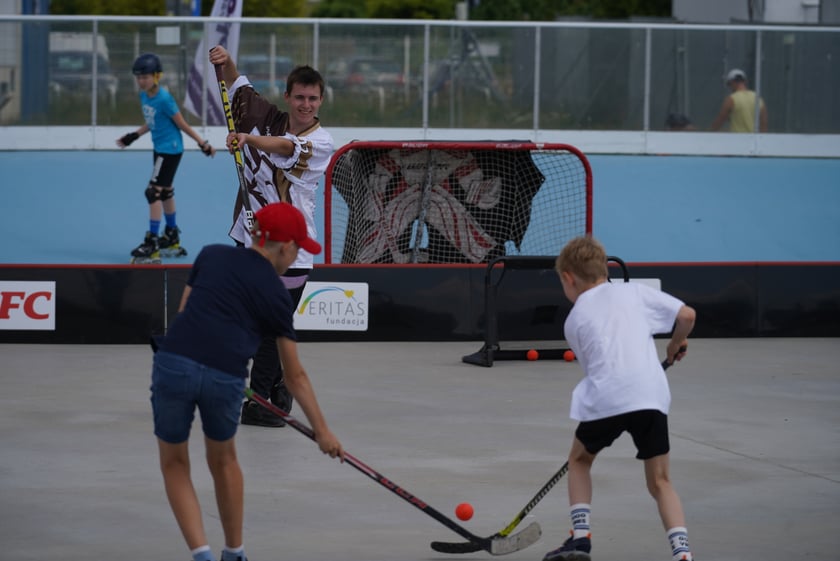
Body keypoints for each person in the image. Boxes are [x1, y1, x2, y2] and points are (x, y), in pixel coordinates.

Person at [150, 201, 344, 561]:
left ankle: (202, 554)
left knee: (175, 463)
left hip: (173, 362)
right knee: (224, 461)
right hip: (225, 374)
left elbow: (184, 315)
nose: (298, 255)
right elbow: (294, 375)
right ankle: (234, 552)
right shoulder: (276, 295)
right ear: (285, 247)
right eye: (299, 248)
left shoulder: (210, 255)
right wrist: (323, 431)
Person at [544, 236, 697, 561]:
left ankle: (580, 539)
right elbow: (687, 315)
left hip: (608, 397)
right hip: (651, 396)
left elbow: (598, 368)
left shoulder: (573, 321)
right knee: (661, 481)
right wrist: (674, 344)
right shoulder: (635, 292)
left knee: (580, 460)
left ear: (569, 279)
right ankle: (682, 554)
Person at [208, 45, 335, 427]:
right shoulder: (265, 114)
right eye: (300, 97)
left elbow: (285, 147)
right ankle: (270, 391)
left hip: (290, 253)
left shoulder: (322, 142)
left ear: (321, 100)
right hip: (249, 239)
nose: (306, 105)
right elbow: (234, 80)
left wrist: (247, 140)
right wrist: (224, 59)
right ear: (288, 95)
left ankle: (263, 404)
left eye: (313, 98)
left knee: (267, 330)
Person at [117, 52, 216, 264]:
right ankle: (171, 236)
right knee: (166, 191)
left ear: (157, 76)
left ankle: (152, 242)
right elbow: (153, 123)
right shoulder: (144, 96)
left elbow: (182, 124)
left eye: (145, 76)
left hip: (169, 150)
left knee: (153, 192)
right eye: (138, 77)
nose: (141, 81)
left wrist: (202, 143)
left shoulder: (164, 99)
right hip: (160, 148)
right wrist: (133, 136)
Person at [710, 68, 768, 133]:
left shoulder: (731, 99)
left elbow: (720, 121)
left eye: (729, 85)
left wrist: (709, 134)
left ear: (732, 82)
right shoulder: (758, 98)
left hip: (737, 140)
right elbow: (764, 123)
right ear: (745, 82)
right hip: (754, 140)